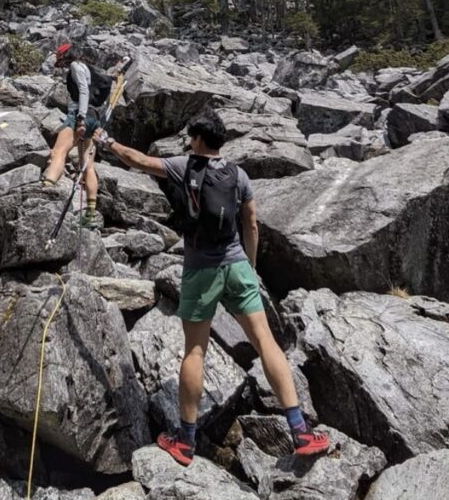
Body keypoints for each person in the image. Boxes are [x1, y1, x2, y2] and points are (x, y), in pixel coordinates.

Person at [94, 109, 330, 465]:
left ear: (199, 139)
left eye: (191, 137)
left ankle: (185, 441)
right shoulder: (238, 175)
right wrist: (249, 267)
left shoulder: (184, 166)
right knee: (266, 342)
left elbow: (138, 160)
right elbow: (250, 224)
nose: (189, 142)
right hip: (237, 265)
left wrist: (106, 142)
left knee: (195, 352)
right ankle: (300, 431)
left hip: (200, 270)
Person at [42, 41, 109, 229]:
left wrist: (80, 118)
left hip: (79, 115)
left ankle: (46, 189)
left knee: (58, 152)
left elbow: (83, 90)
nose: (61, 64)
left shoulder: (75, 66)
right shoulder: (89, 68)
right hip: (94, 117)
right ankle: (90, 213)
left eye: (61, 59)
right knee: (86, 164)